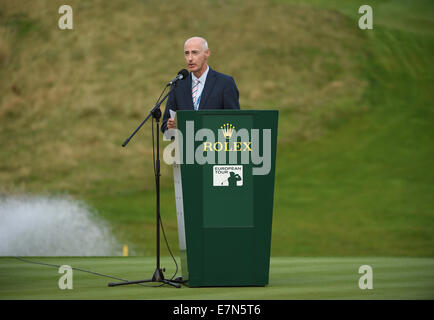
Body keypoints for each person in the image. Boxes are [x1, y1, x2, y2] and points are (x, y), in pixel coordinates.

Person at [161, 37, 240, 133]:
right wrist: (171, 128)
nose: (190, 58)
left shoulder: (225, 83)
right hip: (186, 146)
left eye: (195, 53)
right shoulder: (178, 85)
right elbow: (165, 125)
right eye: (187, 53)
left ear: (207, 53)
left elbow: (235, 122)